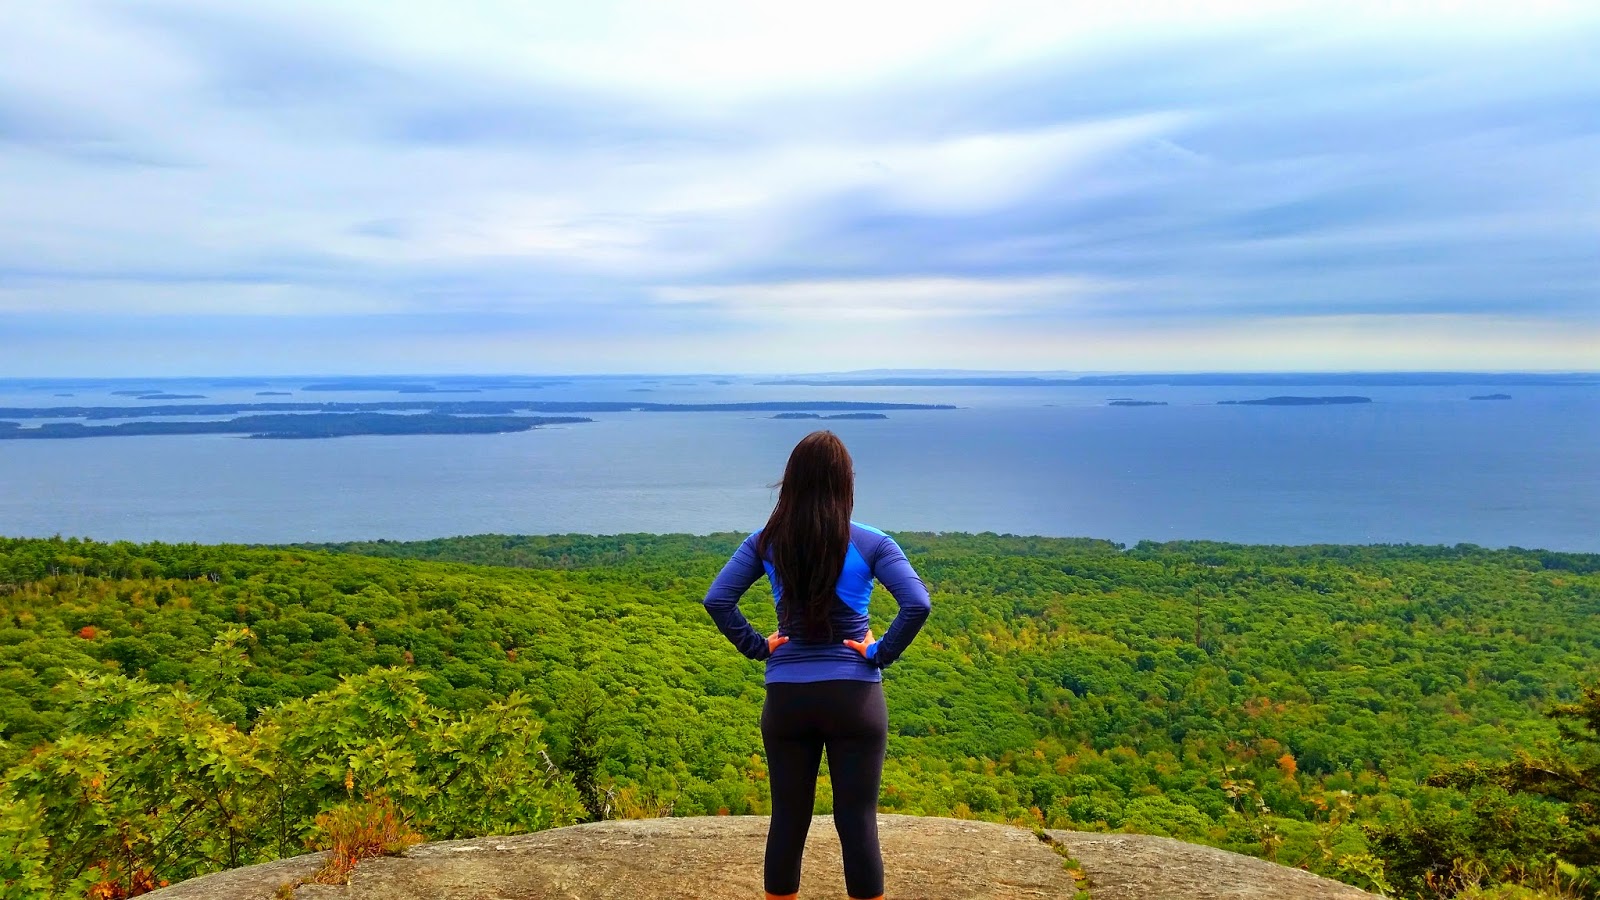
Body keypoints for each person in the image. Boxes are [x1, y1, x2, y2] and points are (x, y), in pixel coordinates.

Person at [703, 430, 932, 900]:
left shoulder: (765, 542)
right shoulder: (872, 543)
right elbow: (917, 604)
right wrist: (878, 652)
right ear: (844, 483)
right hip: (855, 697)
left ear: (791, 482)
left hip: (787, 697)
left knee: (788, 817)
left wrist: (758, 646)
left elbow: (717, 600)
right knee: (857, 819)